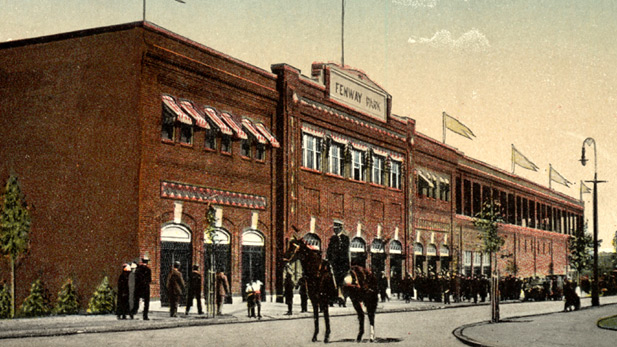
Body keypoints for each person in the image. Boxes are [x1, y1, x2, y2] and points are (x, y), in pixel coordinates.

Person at [133, 255, 152, 320]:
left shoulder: (138, 269)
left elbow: (135, 278)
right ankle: (145, 315)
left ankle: (134, 312)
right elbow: (149, 280)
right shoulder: (148, 270)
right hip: (146, 287)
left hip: (138, 286)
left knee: (136, 300)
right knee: (146, 302)